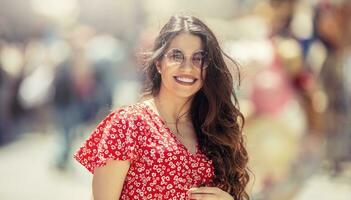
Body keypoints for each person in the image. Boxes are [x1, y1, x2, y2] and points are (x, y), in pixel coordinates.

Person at [74, 14, 250, 200]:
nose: (187, 68)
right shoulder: (128, 124)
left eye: (199, 58)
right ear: (159, 63)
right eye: (177, 56)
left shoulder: (216, 129)